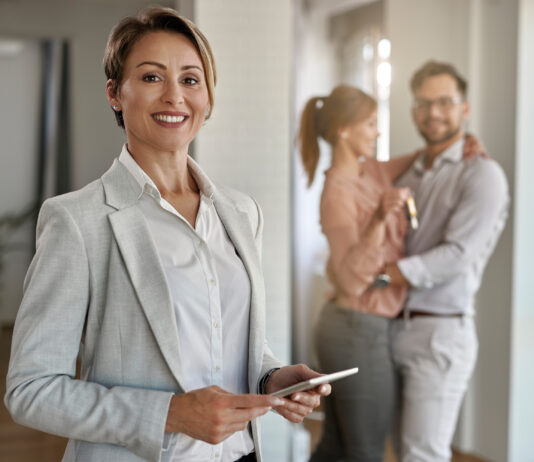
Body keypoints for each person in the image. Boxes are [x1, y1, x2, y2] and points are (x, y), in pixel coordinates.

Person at [4, 7, 329, 462]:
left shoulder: (241, 212)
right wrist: (169, 414)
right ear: (115, 94)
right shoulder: (77, 220)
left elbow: (224, 344)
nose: (175, 96)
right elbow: (30, 390)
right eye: (153, 78)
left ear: (209, 98)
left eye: (191, 80)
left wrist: (269, 378)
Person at [382, 60, 509, 462]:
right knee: (401, 451)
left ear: (464, 108)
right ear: (412, 109)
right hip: (393, 328)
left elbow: (458, 254)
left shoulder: (483, 174)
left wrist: (384, 277)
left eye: (444, 102)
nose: (433, 113)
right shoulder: (410, 173)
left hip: (440, 334)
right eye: (423, 103)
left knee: (424, 454)